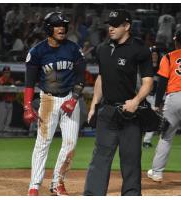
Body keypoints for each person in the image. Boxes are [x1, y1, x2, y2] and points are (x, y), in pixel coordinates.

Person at [83, 9, 153, 196]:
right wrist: (94, 105)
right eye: (109, 24)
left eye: (115, 24)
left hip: (131, 114)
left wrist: (136, 101)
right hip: (107, 112)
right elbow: (101, 78)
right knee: (100, 158)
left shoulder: (139, 48)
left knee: (130, 160)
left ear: (127, 26)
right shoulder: (102, 48)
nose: (111, 28)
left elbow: (148, 82)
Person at [24, 11, 86, 196]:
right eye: (58, 25)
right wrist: (27, 106)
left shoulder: (74, 49)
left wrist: (74, 99)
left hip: (69, 98)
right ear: (48, 28)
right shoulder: (37, 52)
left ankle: (57, 183)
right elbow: (29, 82)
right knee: (43, 143)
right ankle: (34, 185)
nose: (62, 28)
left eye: (64, 25)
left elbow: (81, 76)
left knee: (70, 144)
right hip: (48, 100)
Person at [147, 30, 181, 182]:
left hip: (174, 99)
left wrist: (156, 104)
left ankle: (157, 172)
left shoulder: (169, 56)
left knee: (166, 137)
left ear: (176, 41)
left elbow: (161, 83)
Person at [143, 45, 161, 148]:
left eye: (156, 54)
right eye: (153, 54)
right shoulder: (144, 66)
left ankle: (147, 141)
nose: (154, 56)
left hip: (155, 97)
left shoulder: (161, 67)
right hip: (144, 95)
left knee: (153, 118)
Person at [0, 66, 16, 135]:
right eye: (5, 72)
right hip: (2, 102)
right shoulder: (0, 79)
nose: (7, 74)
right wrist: (12, 84)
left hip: (10, 101)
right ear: (3, 73)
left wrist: (14, 84)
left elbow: (14, 90)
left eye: (8, 72)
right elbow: (2, 86)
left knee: (8, 119)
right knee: (2, 119)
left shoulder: (11, 80)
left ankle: (5, 133)